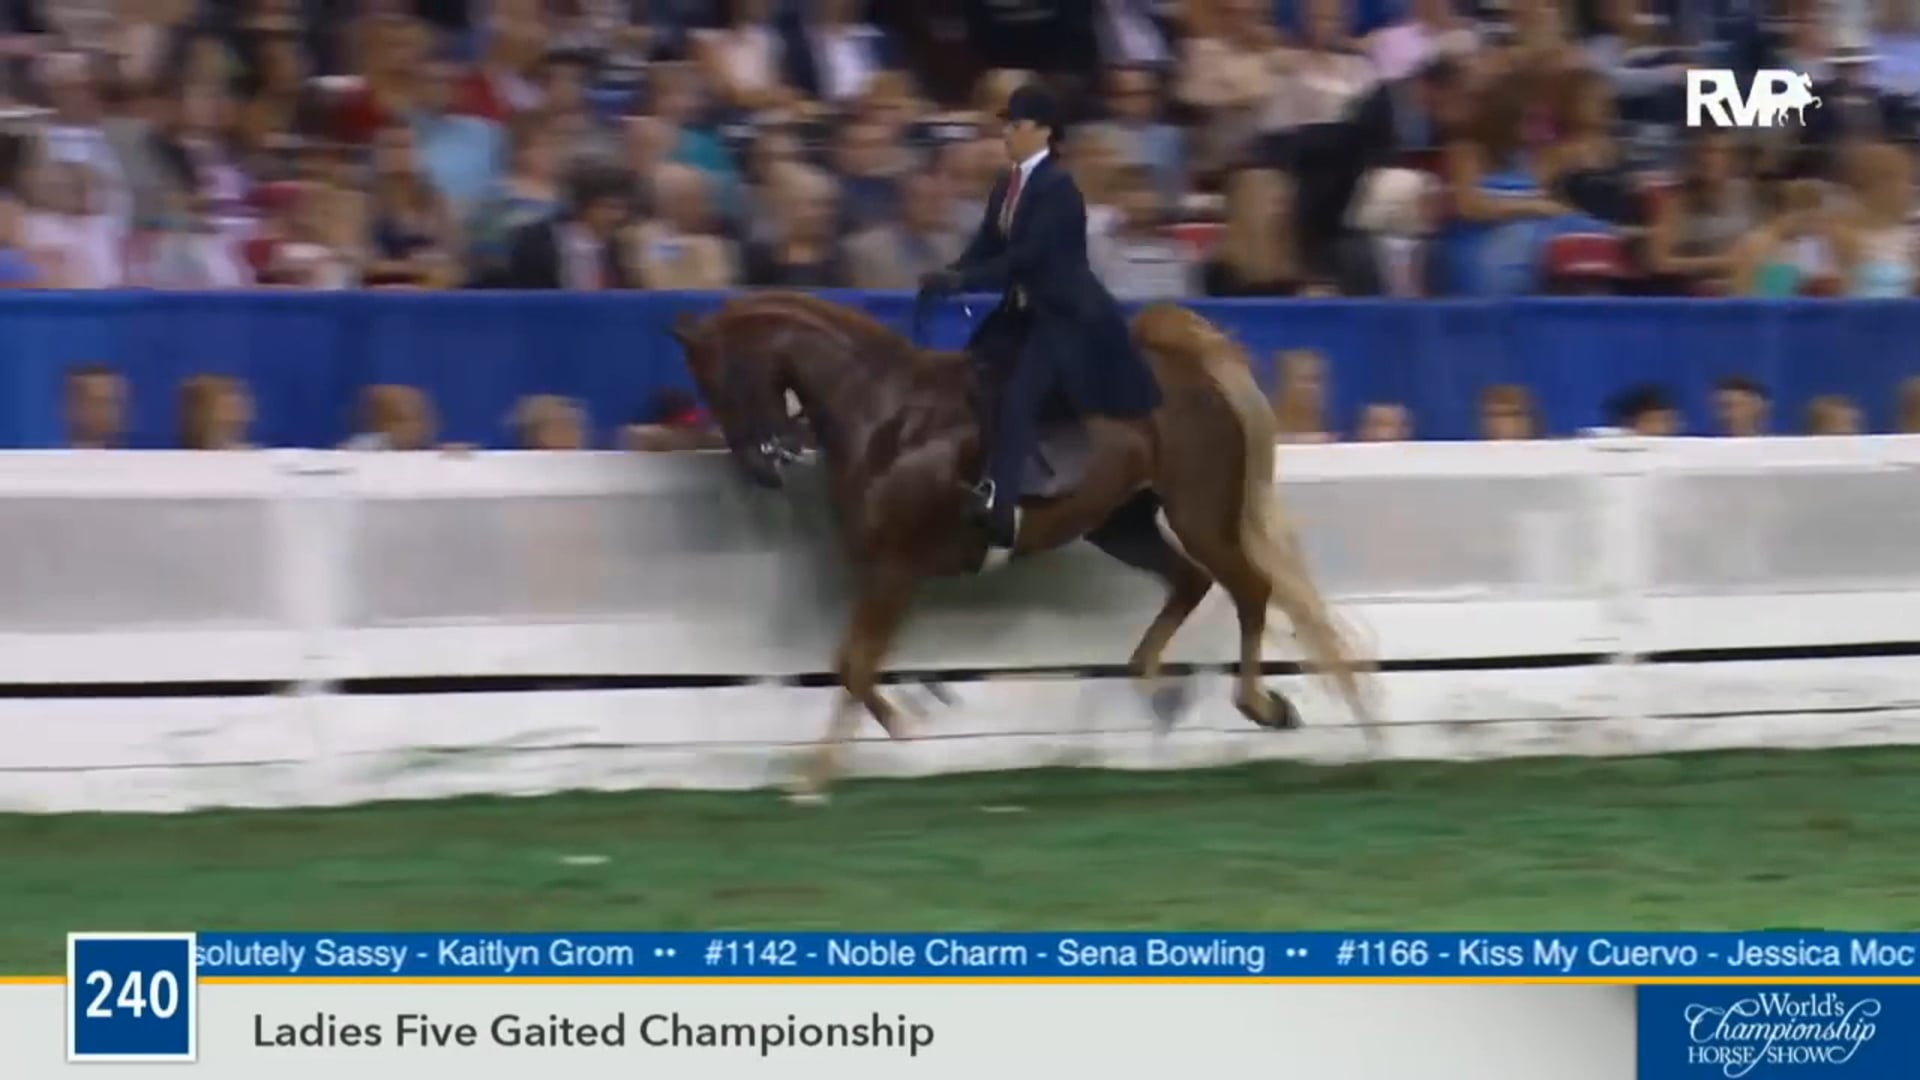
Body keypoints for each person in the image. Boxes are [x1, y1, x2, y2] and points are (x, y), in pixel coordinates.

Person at [917, 83, 1161, 551]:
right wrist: (949, 273)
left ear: (1044, 132)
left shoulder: (1059, 189)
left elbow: (1028, 258)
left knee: (1019, 396)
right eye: (1006, 123)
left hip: (1064, 318)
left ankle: (1003, 507)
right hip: (1022, 312)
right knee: (970, 377)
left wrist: (966, 282)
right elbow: (987, 246)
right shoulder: (1005, 189)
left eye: (1016, 124)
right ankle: (977, 474)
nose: (1006, 132)